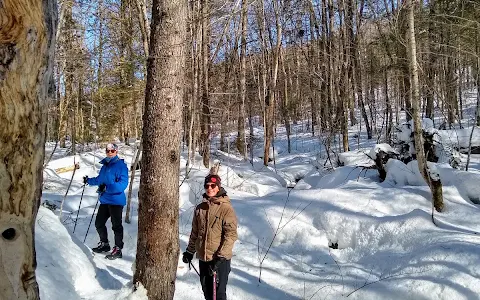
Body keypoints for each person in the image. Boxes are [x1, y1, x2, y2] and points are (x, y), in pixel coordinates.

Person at [182, 173, 238, 300]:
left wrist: (221, 257)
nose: (210, 188)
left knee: (218, 295)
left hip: (219, 260)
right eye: (207, 186)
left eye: (213, 185)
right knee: (207, 292)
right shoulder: (200, 208)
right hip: (204, 258)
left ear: (218, 187)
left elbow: (231, 235)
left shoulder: (226, 209)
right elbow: (195, 233)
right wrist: (190, 252)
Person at [83, 143, 128, 260]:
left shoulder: (121, 166)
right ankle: (105, 244)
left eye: (112, 151)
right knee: (99, 223)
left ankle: (118, 249)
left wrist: (107, 188)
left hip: (116, 200)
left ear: (116, 151)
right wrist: (89, 181)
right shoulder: (105, 166)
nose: (109, 153)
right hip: (105, 200)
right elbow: (99, 179)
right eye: (107, 151)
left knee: (116, 226)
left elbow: (123, 184)